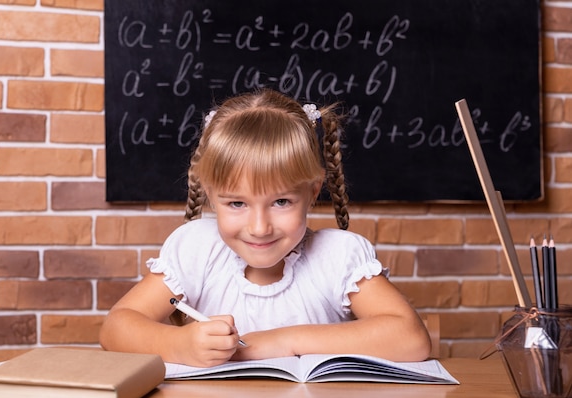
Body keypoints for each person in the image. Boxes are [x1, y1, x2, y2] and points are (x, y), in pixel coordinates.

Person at [99, 89, 431, 367]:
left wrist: (281, 342)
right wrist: (179, 344)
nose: (259, 228)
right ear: (211, 196)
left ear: (312, 192)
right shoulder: (198, 250)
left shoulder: (337, 256)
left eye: (281, 202)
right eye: (237, 204)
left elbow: (411, 339)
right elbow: (116, 328)